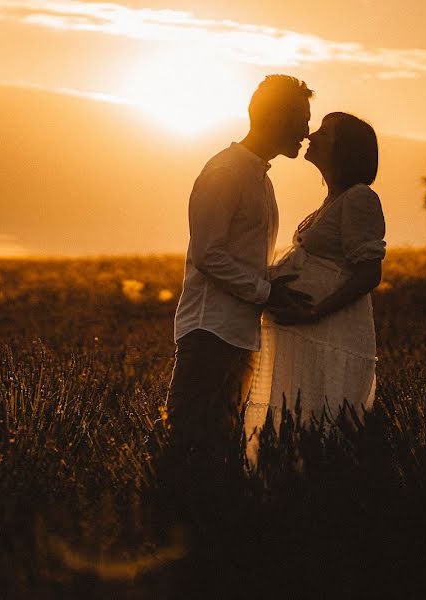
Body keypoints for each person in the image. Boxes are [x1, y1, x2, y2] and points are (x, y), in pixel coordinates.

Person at [159, 75, 314, 524]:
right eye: (300, 119)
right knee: (190, 438)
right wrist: (267, 292)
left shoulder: (260, 179)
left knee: (221, 443)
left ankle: (206, 534)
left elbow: (245, 258)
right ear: (277, 117)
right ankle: (167, 532)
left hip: (239, 332)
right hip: (210, 330)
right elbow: (208, 254)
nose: (305, 131)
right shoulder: (226, 171)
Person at [243, 112, 386, 466]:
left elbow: (369, 272)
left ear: (344, 150)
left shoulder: (360, 198)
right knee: (296, 426)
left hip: (330, 334)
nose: (311, 135)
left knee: (324, 428)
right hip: (309, 334)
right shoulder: (335, 200)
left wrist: (314, 311)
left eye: (324, 131)